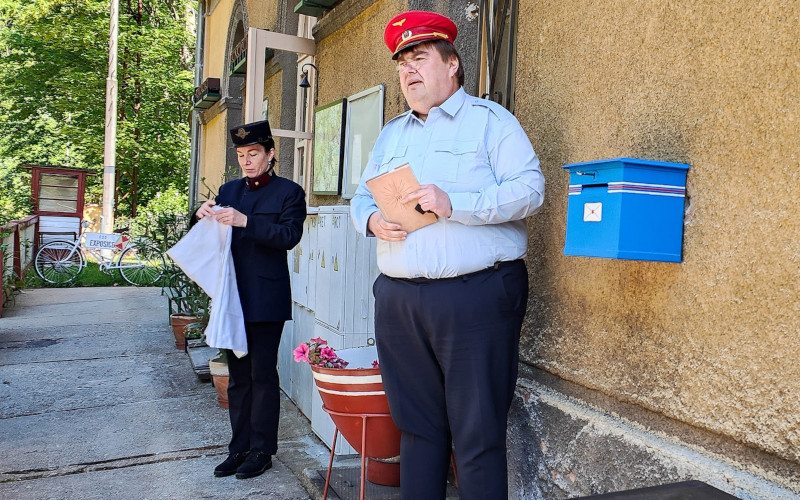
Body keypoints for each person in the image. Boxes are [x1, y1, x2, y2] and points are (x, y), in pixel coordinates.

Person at [350, 10, 545, 500]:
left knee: (477, 434)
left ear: (452, 64)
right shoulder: (392, 134)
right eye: (402, 64)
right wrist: (371, 220)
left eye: (419, 58)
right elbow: (362, 196)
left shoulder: (490, 122)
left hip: (474, 297)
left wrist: (455, 203)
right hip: (399, 299)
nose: (408, 71)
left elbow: (530, 191)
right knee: (416, 431)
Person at [196, 119, 306, 480]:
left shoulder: (289, 192)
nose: (247, 160)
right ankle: (239, 448)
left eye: (254, 153)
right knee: (238, 377)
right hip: (232, 297)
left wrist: (246, 221)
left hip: (266, 298)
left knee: (262, 375)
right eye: (242, 154)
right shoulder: (229, 190)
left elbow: (288, 236)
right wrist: (200, 216)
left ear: (270, 154)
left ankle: (262, 451)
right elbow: (209, 236)